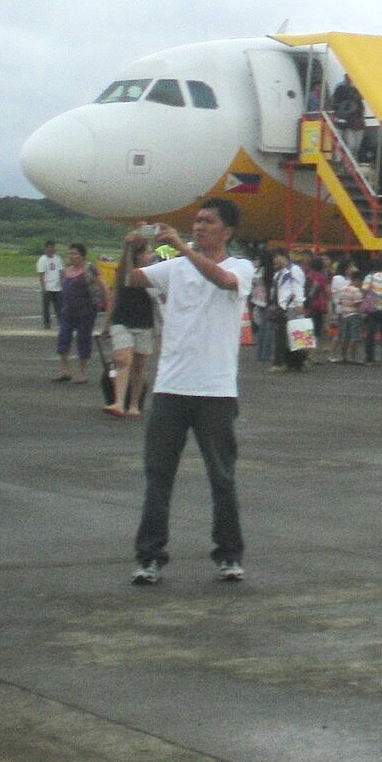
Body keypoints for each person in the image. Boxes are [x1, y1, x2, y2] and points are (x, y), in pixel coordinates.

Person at [125, 202, 254, 584]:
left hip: (215, 390)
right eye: (196, 221)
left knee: (222, 476)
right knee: (158, 475)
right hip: (170, 388)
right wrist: (128, 248)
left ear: (227, 231)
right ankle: (149, 556)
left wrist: (181, 247)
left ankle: (229, 553)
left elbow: (223, 282)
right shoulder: (174, 268)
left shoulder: (240, 267)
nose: (199, 227)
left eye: (208, 222)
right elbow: (133, 279)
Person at [104, 250, 158, 418]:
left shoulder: (154, 274)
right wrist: (107, 323)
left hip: (145, 323)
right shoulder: (124, 275)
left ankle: (134, 403)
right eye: (146, 252)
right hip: (122, 321)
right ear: (137, 256)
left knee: (139, 366)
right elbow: (114, 297)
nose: (149, 255)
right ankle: (119, 402)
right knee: (122, 360)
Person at [53, 243, 107, 383]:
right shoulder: (65, 271)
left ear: (83, 256)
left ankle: (82, 373)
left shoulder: (89, 269)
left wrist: (105, 304)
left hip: (86, 311)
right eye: (70, 253)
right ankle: (65, 370)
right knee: (63, 338)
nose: (71, 256)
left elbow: (103, 286)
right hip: (67, 311)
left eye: (75, 254)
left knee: (83, 340)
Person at [275, 250, 309, 372]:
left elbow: (298, 287)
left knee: (296, 334)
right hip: (285, 306)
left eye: (277, 257)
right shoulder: (282, 271)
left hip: (293, 306)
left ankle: (299, 361)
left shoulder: (294, 270)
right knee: (289, 335)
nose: (275, 260)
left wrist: (299, 303)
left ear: (283, 257)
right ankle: (292, 362)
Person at [36, 240, 65, 329]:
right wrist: (43, 287)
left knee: (59, 307)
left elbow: (61, 272)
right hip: (47, 287)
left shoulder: (58, 259)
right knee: (46, 308)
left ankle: (61, 323)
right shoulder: (42, 260)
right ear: (46, 248)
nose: (51, 249)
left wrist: (62, 284)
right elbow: (41, 274)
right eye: (49, 247)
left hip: (57, 287)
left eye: (52, 247)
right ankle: (47, 323)